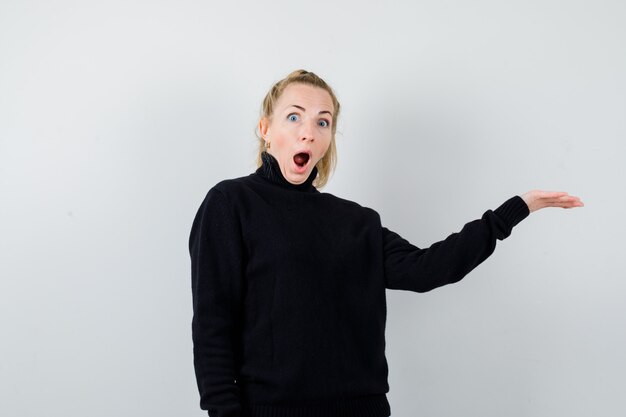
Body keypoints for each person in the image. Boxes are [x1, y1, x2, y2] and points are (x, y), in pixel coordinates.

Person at [188, 69, 584, 417]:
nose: (309, 131)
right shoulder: (231, 204)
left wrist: (513, 212)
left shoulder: (355, 221)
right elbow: (213, 324)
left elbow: (428, 268)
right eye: (294, 117)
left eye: (323, 122)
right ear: (265, 130)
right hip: (270, 410)